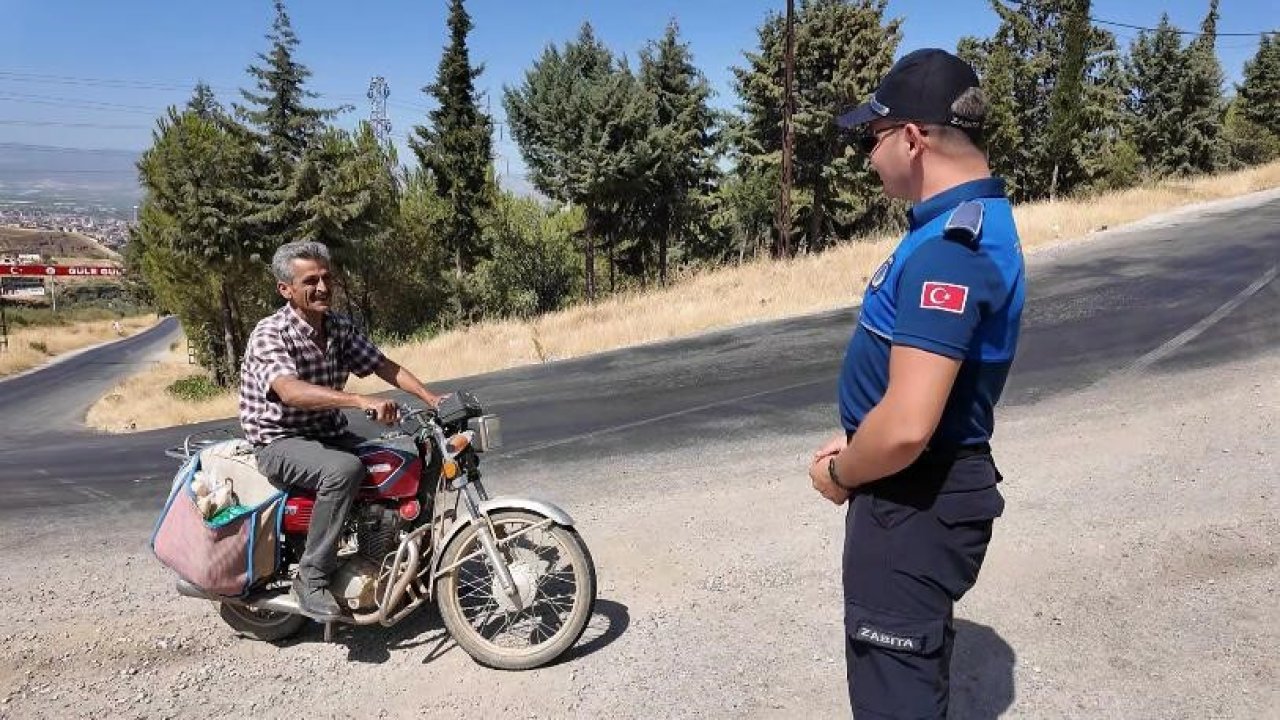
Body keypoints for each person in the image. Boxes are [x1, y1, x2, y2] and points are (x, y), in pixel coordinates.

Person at [807, 48, 1026, 719]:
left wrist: (843, 472)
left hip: (912, 504)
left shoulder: (948, 253)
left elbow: (905, 427)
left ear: (910, 137)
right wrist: (861, 435)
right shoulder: (966, 227)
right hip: (918, 490)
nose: (869, 157)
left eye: (873, 139)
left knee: (895, 699)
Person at [239, 240, 444, 620]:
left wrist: (432, 399)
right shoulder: (271, 333)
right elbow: (289, 390)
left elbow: (382, 365)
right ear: (286, 289)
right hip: (280, 440)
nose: (322, 288)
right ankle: (311, 578)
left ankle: (410, 562)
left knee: (405, 456)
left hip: (327, 433)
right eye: (310, 281)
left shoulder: (338, 326)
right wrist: (358, 401)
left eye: (326, 278)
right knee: (342, 470)